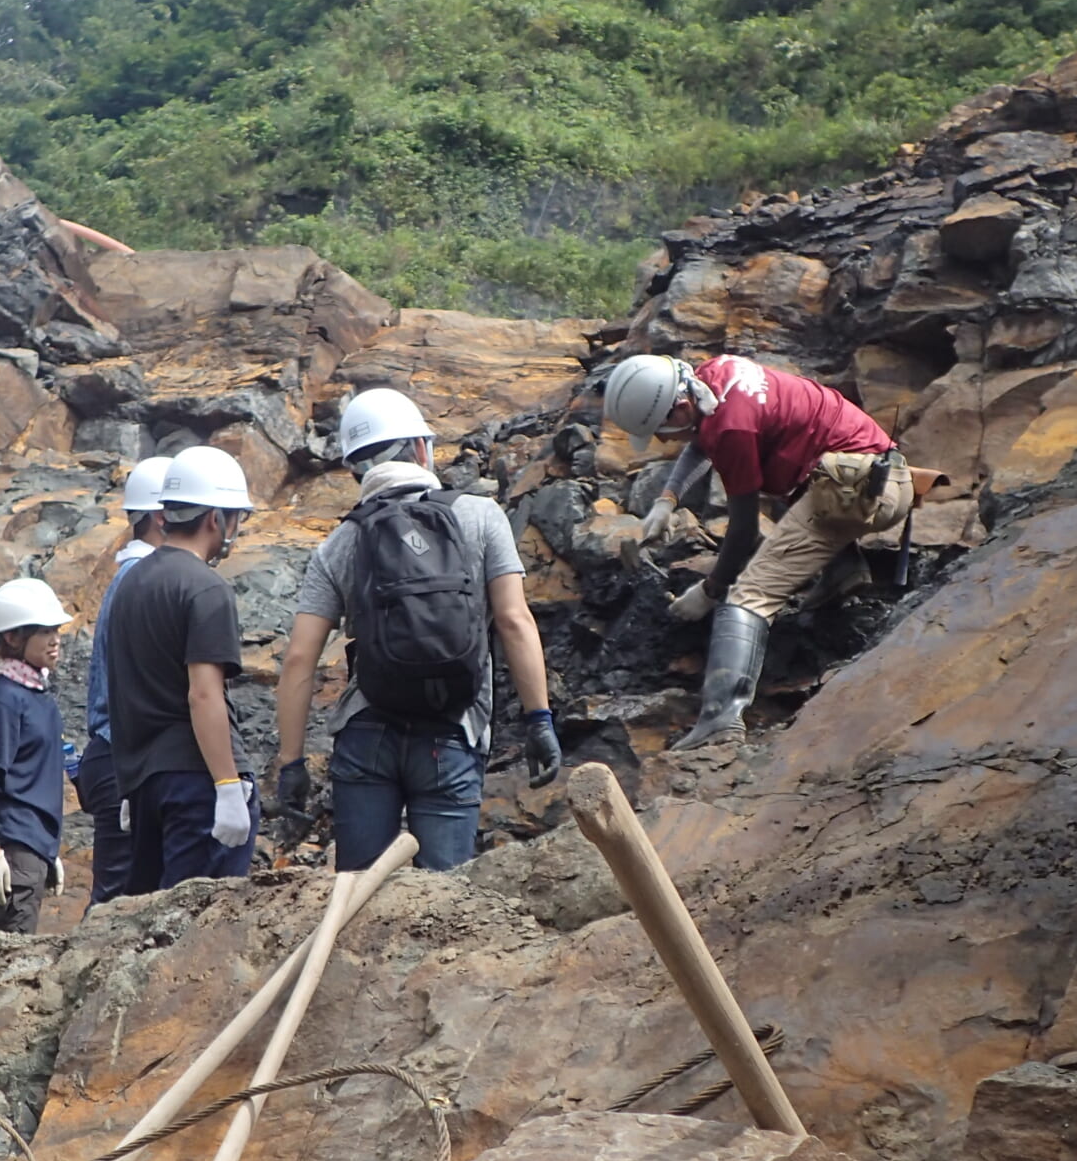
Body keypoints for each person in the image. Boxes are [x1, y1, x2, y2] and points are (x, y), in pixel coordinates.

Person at [273, 389, 564, 871]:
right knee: (443, 897)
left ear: (356, 470)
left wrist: (291, 762)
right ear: (420, 448)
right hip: (452, 731)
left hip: (367, 732)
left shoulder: (341, 542)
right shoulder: (480, 515)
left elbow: (300, 658)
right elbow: (514, 620)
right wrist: (540, 721)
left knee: (358, 894)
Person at [605, 353, 909, 750]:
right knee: (782, 467)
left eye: (661, 430)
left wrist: (710, 591)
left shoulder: (732, 427)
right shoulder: (712, 377)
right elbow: (701, 439)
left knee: (749, 594)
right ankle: (842, 571)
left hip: (863, 492)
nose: (663, 440)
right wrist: (668, 498)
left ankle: (720, 721)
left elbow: (744, 530)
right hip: (868, 469)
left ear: (680, 408)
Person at [104, 447, 261, 894]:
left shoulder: (130, 583)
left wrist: (130, 785)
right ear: (215, 518)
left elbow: (120, 690)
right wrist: (227, 785)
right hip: (197, 782)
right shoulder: (206, 588)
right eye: (236, 518)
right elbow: (203, 694)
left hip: (146, 784)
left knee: (151, 914)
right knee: (199, 918)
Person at [74, 454, 173, 908]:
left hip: (116, 758)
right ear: (160, 516)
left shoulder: (131, 577)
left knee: (127, 899)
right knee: (117, 903)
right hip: (123, 760)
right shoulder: (142, 580)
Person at [0, 579, 73, 934]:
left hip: (30, 848)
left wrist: (46, 852)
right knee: (2, 955)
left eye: (56, 630)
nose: (55, 639)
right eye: (44, 631)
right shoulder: (4, 699)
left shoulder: (38, 697)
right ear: (13, 637)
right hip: (12, 847)